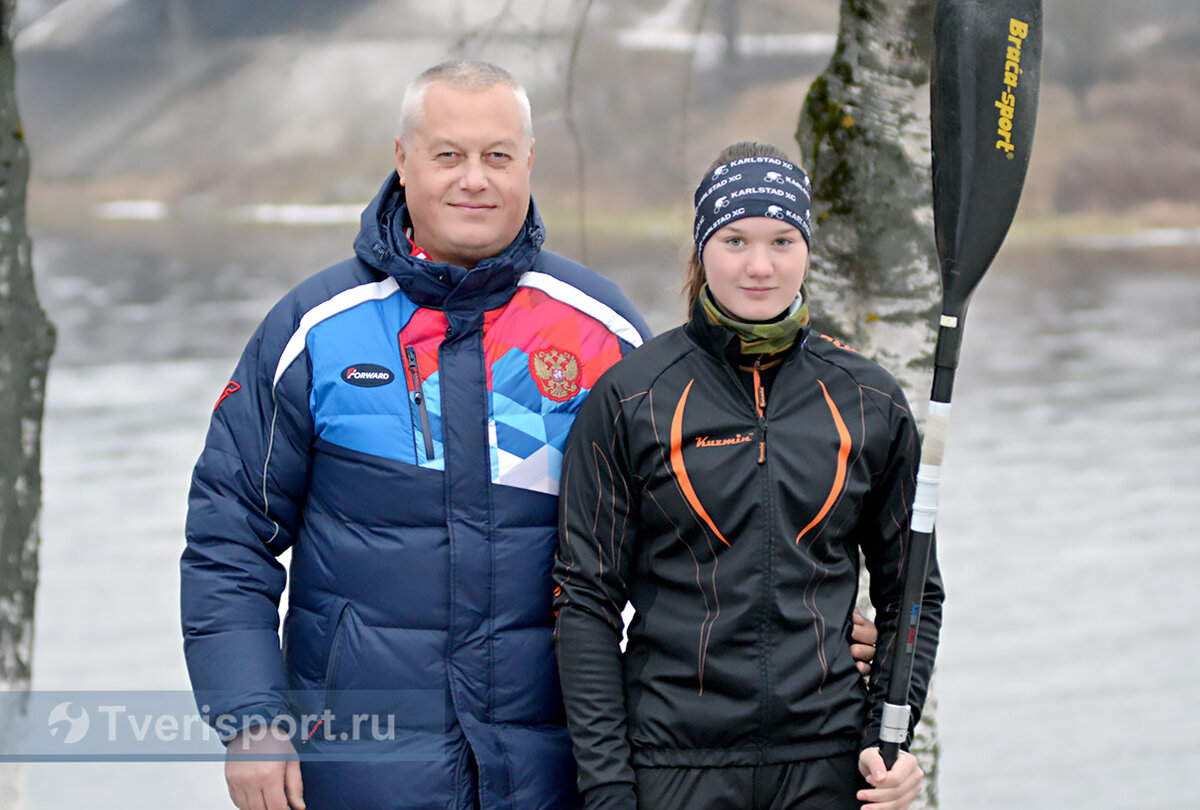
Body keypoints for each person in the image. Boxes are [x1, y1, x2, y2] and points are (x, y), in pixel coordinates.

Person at [181, 61, 879, 810]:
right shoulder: (315, 330)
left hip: (557, 769)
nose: (473, 179)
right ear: (403, 158)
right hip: (361, 768)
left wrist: (820, 622)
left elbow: (696, 540)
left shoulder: (599, 332)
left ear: (529, 163)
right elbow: (229, 537)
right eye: (448, 155)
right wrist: (251, 720)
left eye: (498, 156)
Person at [553, 141, 944, 810]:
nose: (759, 265)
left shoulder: (868, 401)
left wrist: (891, 738)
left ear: (807, 249)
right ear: (703, 247)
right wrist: (609, 787)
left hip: (827, 763)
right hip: (671, 763)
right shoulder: (633, 399)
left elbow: (913, 592)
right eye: (735, 239)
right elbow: (583, 602)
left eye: (781, 240)